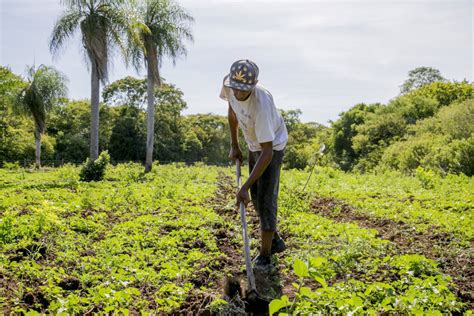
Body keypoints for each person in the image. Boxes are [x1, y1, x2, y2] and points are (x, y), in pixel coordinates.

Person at [219, 59, 288, 267]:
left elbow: (267, 152)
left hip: (271, 147)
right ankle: (274, 239)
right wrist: (234, 144)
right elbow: (232, 112)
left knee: (266, 199)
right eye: (236, 89)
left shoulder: (262, 104)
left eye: (244, 90)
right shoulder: (229, 86)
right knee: (256, 198)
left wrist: (244, 187)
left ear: (255, 83)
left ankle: (266, 256)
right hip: (253, 143)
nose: (239, 94)